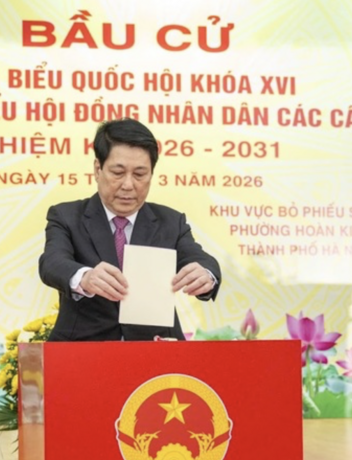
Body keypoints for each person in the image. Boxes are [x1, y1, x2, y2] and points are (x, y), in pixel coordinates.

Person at [38, 118, 221, 341]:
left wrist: (206, 275)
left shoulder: (171, 222)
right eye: (118, 172)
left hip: (156, 351)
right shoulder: (66, 216)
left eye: (139, 174)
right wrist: (85, 277)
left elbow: (199, 258)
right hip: (83, 350)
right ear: (98, 169)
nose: (128, 185)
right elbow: (52, 263)